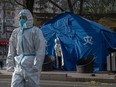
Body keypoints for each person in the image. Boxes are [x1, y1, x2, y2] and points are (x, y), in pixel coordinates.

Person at [6, 9, 46, 87]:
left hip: (31, 65)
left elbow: (40, 50)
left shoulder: (36, 31)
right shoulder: (16, 32)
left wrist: (37, 65)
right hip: (18, 64)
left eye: (24, 17)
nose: (22, 20)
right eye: (20, 18)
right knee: (15, 85)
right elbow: (11, 48)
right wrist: (10, 64)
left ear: (29, 18)